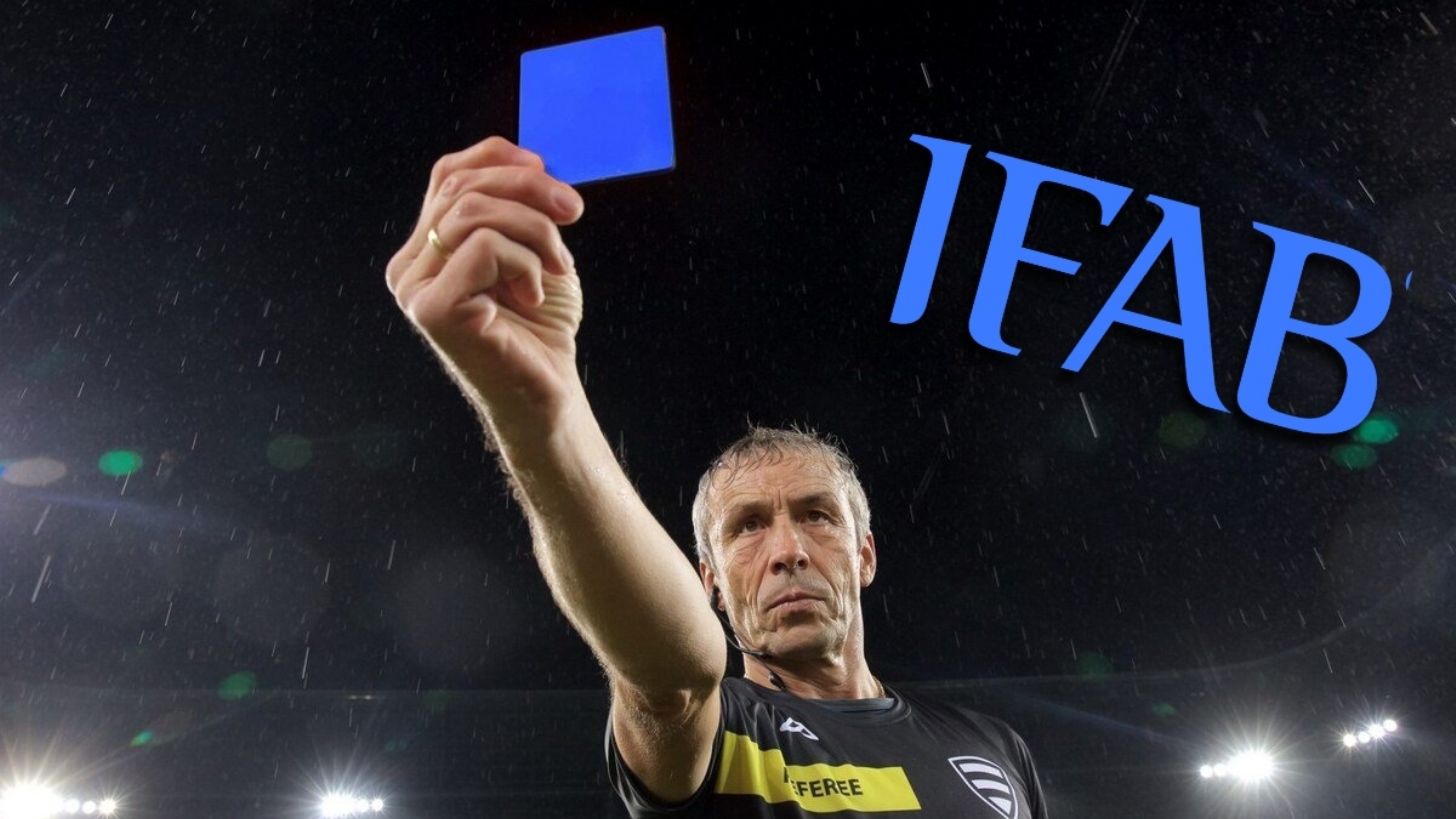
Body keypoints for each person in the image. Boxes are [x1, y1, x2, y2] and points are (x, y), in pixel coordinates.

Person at [385, 135, 1050, 817]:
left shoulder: (994, 747)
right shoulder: (715, 728)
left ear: (866, 554)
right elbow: (673, 677)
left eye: (817, 515)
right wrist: (540, 415)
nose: (788, 550)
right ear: (711, 582)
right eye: (747, 527)